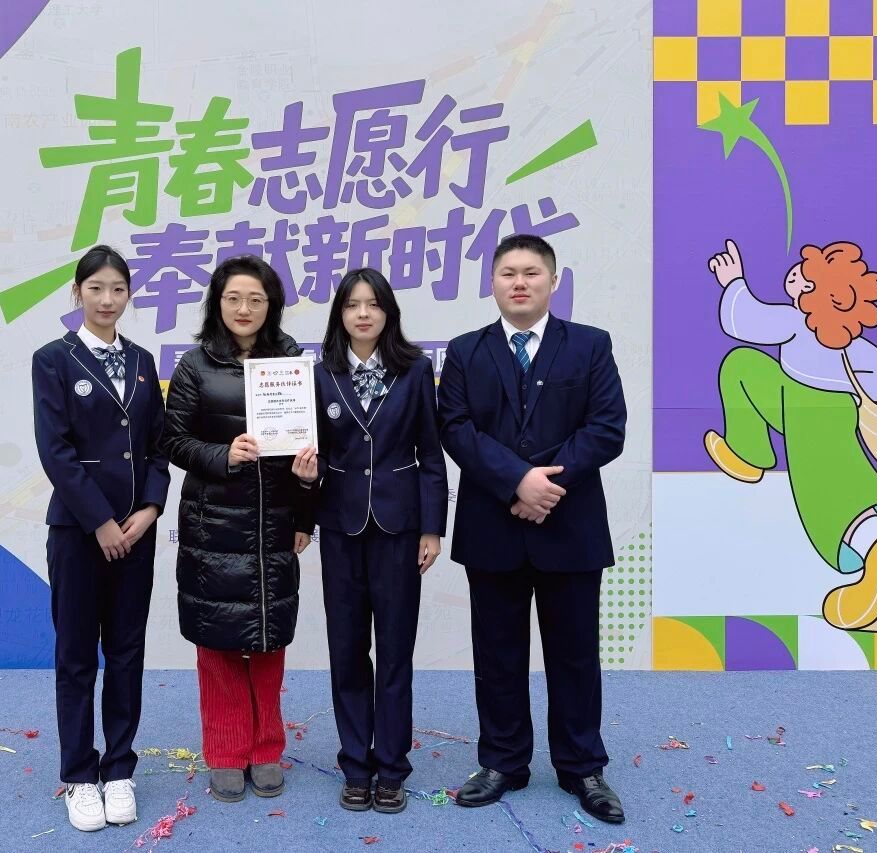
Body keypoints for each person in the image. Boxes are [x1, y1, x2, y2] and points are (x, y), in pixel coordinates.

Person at [438, 234, 627, 822]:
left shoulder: (590, 345)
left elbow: (607, 427)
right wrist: (517, 481)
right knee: (497, 654)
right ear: (492, 282)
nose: (519, 283)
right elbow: (455, 427)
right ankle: (502, 761)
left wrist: (545, 487)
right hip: (492, 526)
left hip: (570, 525)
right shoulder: (465, 351)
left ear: (553, 281)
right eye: (508, 273)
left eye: (531, 273)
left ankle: (582, 766)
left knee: (575, 655)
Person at [705, 238, 877, 632]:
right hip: (816, 404)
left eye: (803, 277)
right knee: (742, 366)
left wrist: (734, 281)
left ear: (815, 293)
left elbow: (743, 321)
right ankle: (748, 453)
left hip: (811, 415)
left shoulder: (795, 321)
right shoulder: (851, 343)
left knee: (825, 493)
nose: (792, 277)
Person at [160, 255, 316, 804]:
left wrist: (305, 509)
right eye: (233, 298)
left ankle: (266, 748)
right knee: (218, 640)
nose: (244, 308)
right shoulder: (194, 364)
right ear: (217, 303)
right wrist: (222, 454)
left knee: (269, 638)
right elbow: (172, 440)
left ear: (271, 305)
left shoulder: (293, 363)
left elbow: (311, 448)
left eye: (255, 299)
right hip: (213, 523)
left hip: (275, 520)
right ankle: (225, 752)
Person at [32, 245, 170, 832]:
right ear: (77, 293)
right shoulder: (53, 360)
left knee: (126, 651)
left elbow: (159, 446)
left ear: (128, 294)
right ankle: (80, 775)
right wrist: (100, 521)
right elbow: (55, 451)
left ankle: (118, 770)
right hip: (78, 532)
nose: (107, 300)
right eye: (96, 289)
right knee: (75, 656)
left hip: (137, 533)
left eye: (117, 289)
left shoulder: (142, 361)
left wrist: (150, 509)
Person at [303, 267, 447, 814]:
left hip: (399, 528)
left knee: (394, 651)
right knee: (346, 652)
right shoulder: (321, 374)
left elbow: (430, 453)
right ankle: (355, 766)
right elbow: (314, 458)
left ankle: (391, 766)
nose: (363, 314)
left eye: (373, 304)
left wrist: (432, 527)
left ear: (388, 312)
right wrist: (306, 482)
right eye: (352, 305)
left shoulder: (416, 370)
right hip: (340, 528)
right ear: (339, 314)